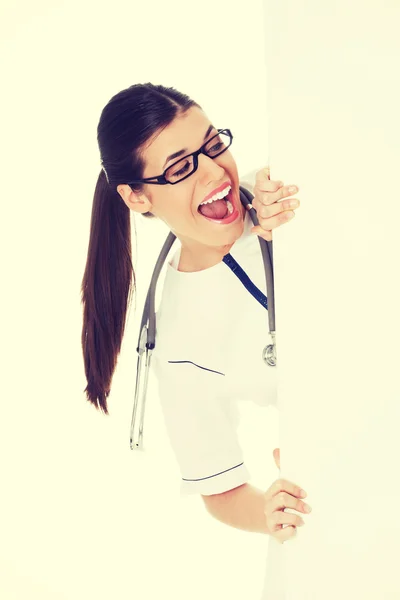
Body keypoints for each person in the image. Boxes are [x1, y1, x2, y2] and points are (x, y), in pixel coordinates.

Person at [80, 82, 312, 547]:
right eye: (181, 167)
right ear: (137, 197)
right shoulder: (181, 344)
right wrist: (268, 510)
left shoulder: (275, 191)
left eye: (211, 144)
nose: (213, 171)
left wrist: (285, 199)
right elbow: (218, 488)